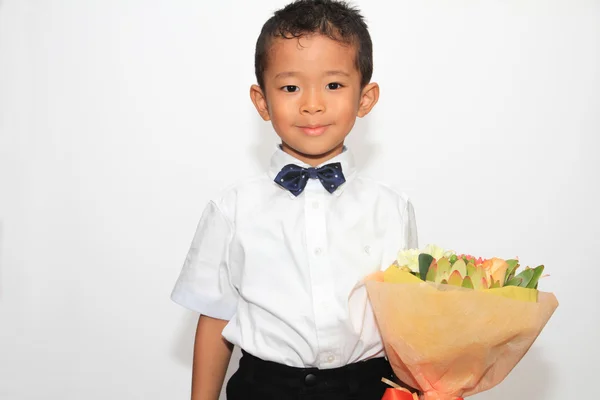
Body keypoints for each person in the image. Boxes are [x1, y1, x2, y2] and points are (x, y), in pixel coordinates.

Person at [171, 1, 418, 399]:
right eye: (290, 87)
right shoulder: (231, 209)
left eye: (334, 85)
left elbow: (406, 322)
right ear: (262, 101)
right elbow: (216, 317)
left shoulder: (392, 207)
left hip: (369, 388)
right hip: (264, 388)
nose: (312, 104)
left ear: (365, 98)